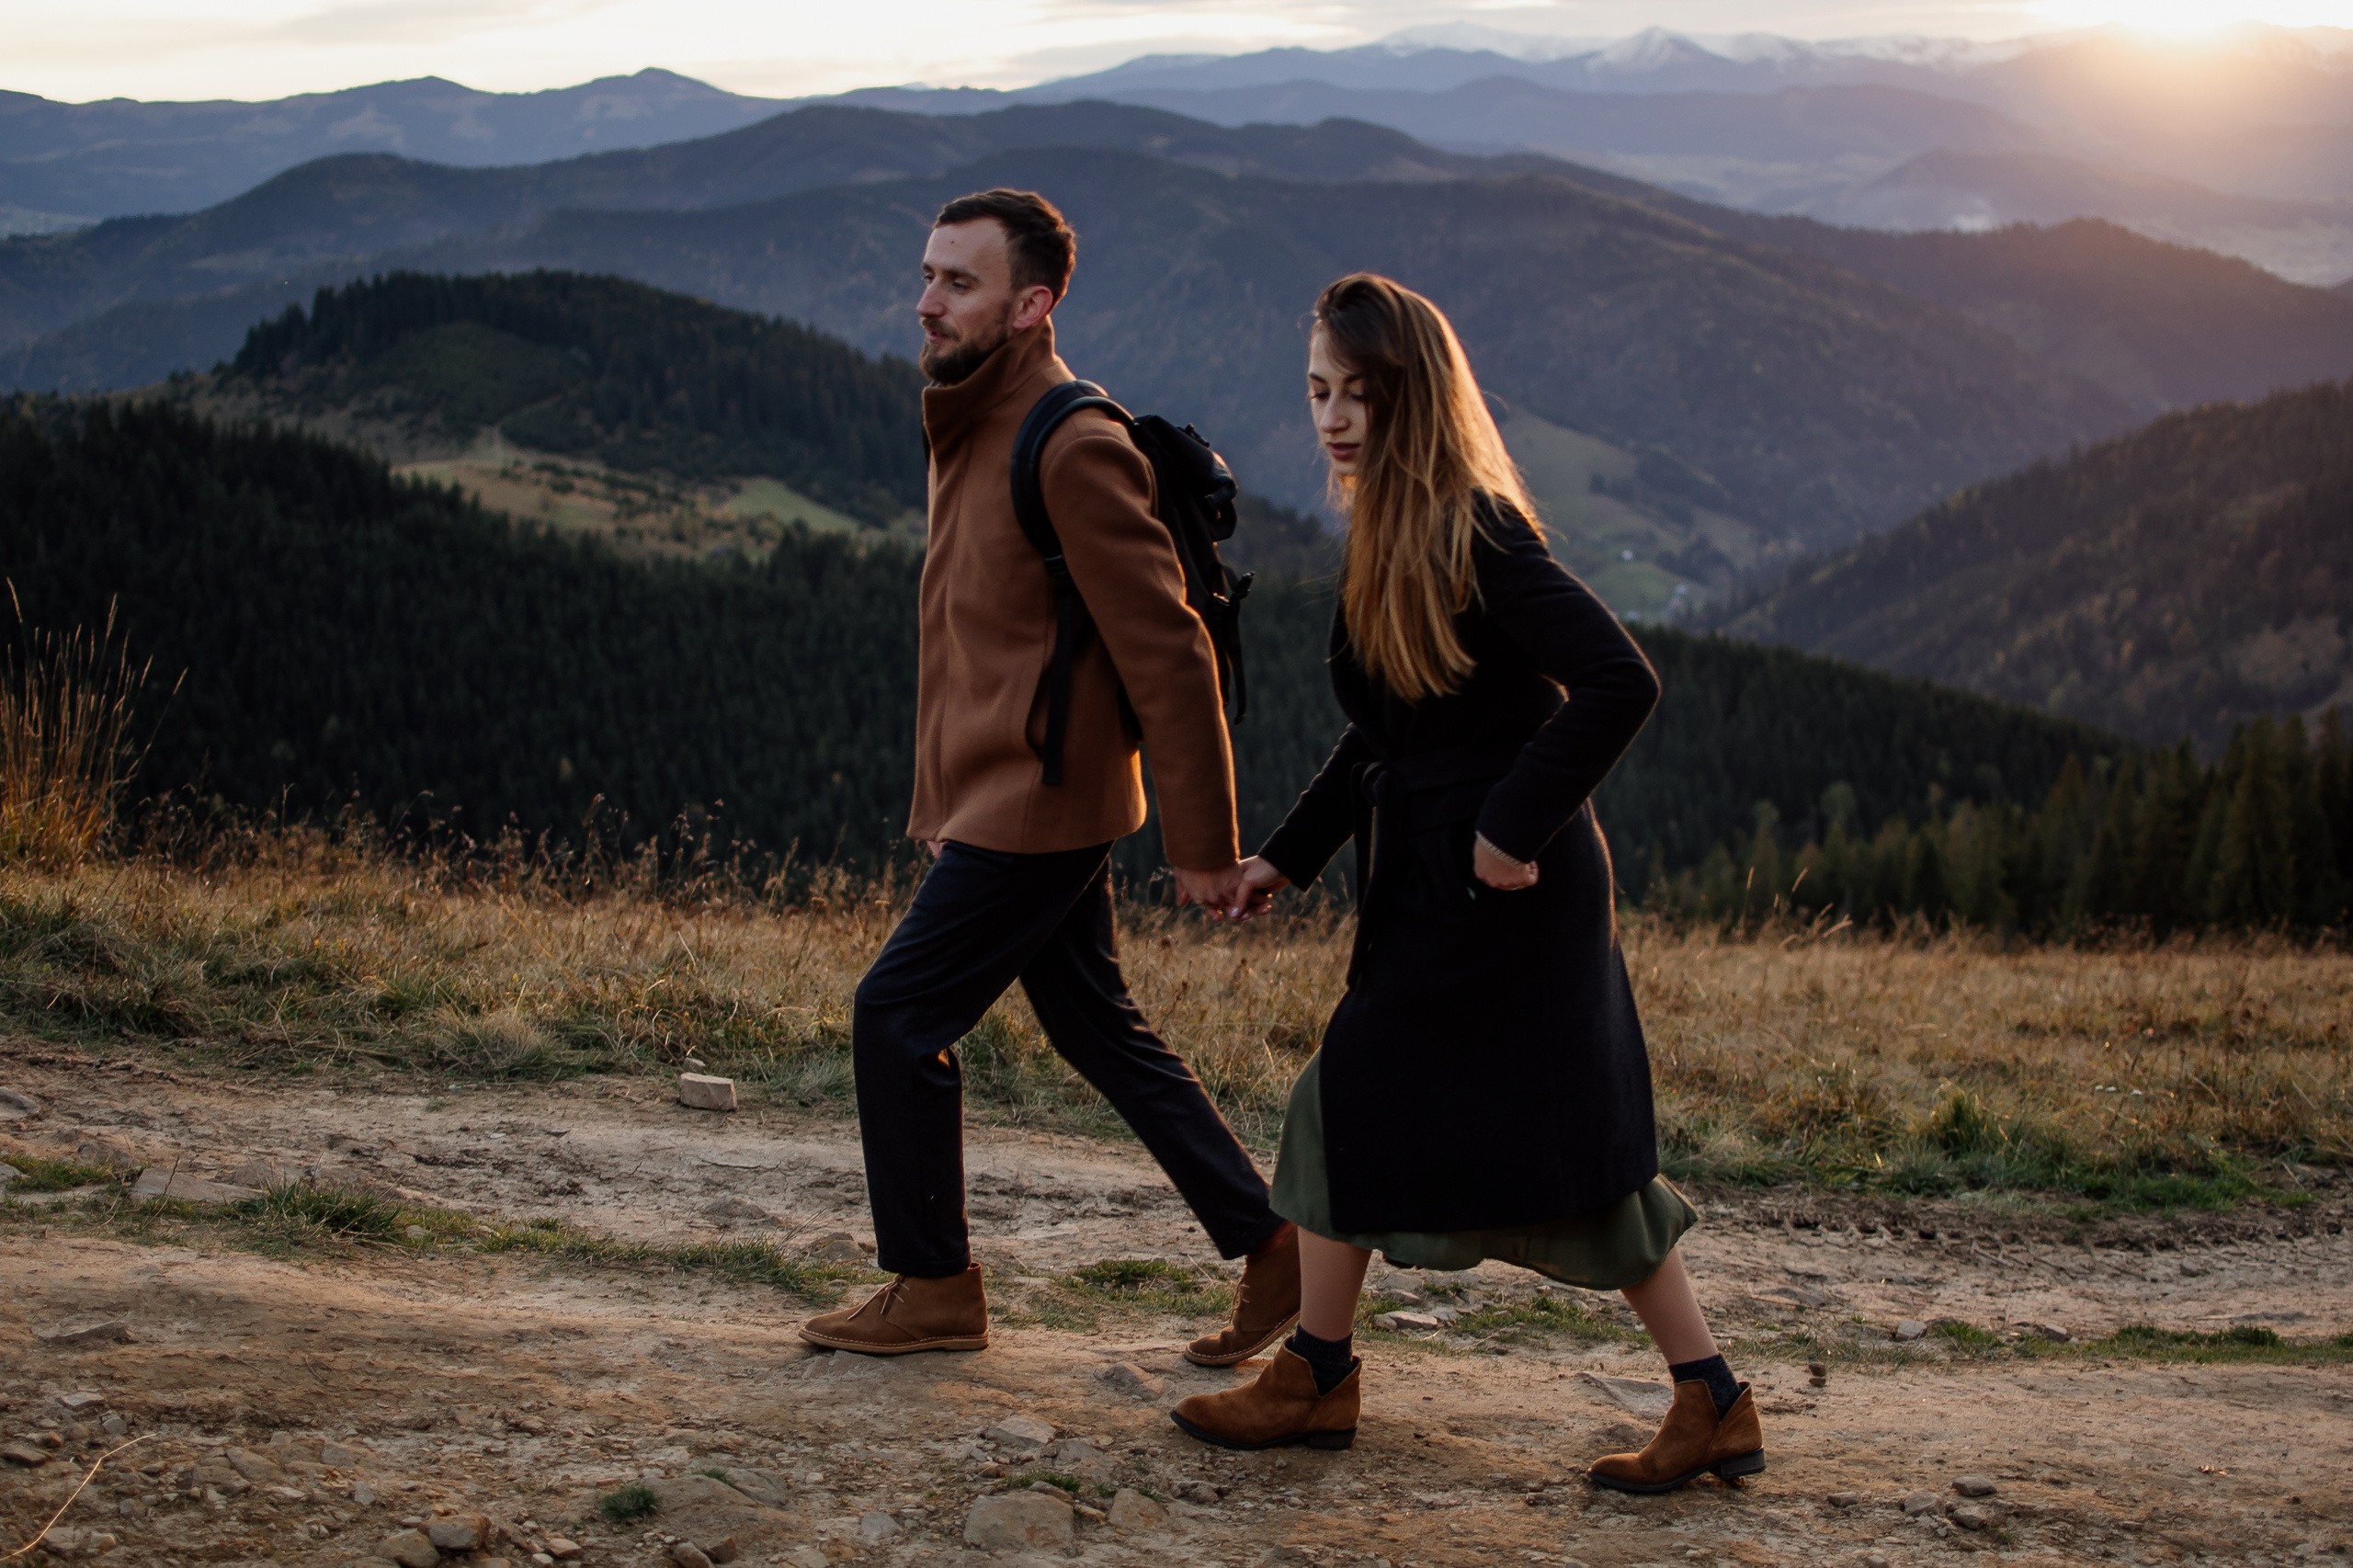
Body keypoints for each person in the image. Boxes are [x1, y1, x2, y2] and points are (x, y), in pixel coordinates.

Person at [1166, 273, 1764, 1494]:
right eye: (1320, 391)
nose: (1334, 417)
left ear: (1414, 397)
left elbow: (1619, 677)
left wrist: (1506, 825)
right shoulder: (1396, 524)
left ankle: (1328, 1377)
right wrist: (1286, 854)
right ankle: (1703, 1400)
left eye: (1362, 394)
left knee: (1509, 1139)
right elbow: (1388, 729)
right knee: (1435, 1122)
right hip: (1445, 887)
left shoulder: (1475, 525)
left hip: (1504, 898)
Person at [797, 187, 1301, 1368]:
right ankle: (1271, 1244)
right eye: (926, 274)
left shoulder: (1067, 441)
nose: (928, 301)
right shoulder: (974, 414)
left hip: (1041, 800)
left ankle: (933, 1283)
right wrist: (949, 799)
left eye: (958, 283)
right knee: (1096, 1026)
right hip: (1012, 790)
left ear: (1032, 305)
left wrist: (1203, 842)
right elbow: (985, 640)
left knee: (895, 1014)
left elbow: (1166, 645)